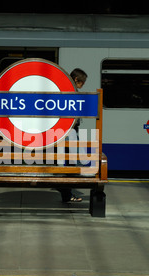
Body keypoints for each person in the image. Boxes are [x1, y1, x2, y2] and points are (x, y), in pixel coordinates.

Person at [58, 68, 88, 202]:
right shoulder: (71, 91)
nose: (82, 85)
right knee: (70, 162)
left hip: (65, 130)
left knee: (68, 162)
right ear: (76, 80)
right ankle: (66, 191)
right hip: (68, 130)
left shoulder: (63, 89)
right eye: (82, 82)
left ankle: (67, 193)